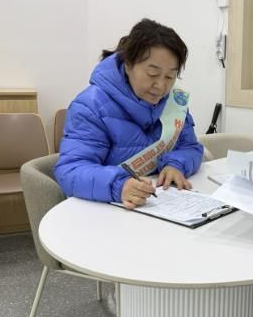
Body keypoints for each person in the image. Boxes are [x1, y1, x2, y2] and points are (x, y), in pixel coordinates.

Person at [55, 18, 204, 209]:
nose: (161, 86)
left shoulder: (174, 103)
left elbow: (190, 147)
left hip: (161, 207)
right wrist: (119, 185)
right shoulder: (91, 105)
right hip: (106, 211)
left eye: (170, 76)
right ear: (128, 64)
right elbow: (71, 170)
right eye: (152, 74)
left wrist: (175, 164)